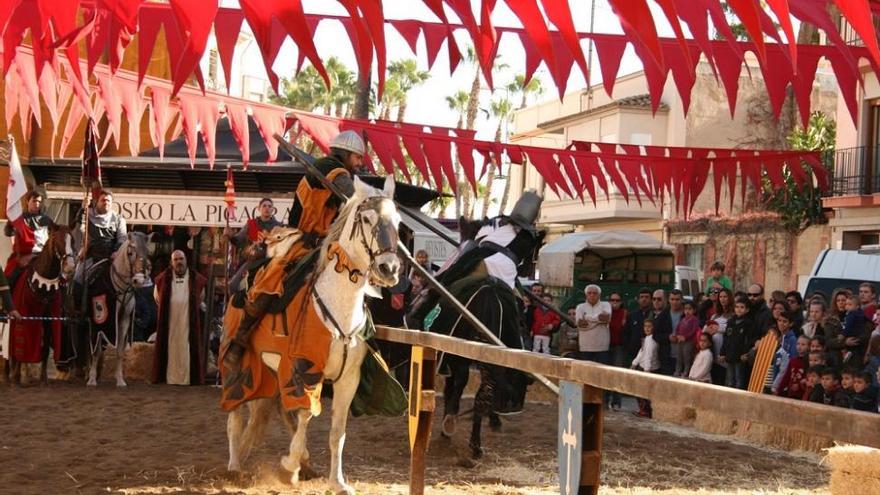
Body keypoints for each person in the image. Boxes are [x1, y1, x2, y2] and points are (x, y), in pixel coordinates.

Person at [224, 131, 366, 368]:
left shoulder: (337, 171)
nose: (360, 163)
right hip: (303, 238)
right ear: (346, 154)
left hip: (325, 242)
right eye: (357, 158)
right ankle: (241, 337)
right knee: (273, 277)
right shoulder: (331, 168)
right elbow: (353, 196)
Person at [151, 250, 207, 385]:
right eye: (176, 260)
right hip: (170, 323)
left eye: (181, 259)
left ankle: (187, 379)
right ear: (171, 262)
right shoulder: (162, 280)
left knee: (187, 347)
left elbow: (200, 298)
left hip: (188, 322)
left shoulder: (196, 279)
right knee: (170, 348)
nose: (179, 262)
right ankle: (169, 378)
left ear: (186, 260)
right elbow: (157, 299)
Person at [224, 198, 282, 292]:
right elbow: (238, 240)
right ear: (259, 208)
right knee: (233, 285)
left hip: (271, 262)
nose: (267, 208)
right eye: (264, 206)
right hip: (253, 261)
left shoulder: (279, 226)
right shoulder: (251, 224)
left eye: (269, 206)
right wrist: (230, 236)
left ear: (273, 209)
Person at [4, 190, 56, 289]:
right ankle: (7, 300)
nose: (37, 204)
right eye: (34, 201)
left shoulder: (46, 220)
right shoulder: (19, 219)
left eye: (39, 202)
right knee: (9, 278)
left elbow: (54, 237)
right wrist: (10, 223)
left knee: (59, 276)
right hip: (23, 256)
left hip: (41, 255)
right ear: (27, 201)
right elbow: (8, 233)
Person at [74, 189, 127, 280]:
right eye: (103, 200)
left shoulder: (119, 219)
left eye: (108, 200)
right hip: (92, 256)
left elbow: (122, 239)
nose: (106, 203)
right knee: (78, 277)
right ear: (97, 202)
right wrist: (83, 208)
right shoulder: (88, 214)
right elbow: (79, 221)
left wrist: (116, 251)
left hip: (112, 257)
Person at [721, 296, 756, 390]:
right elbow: (726, 338)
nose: (739, 309)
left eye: (742, 307)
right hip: (729, 355)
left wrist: (745, 353)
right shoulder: (731, 321)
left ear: (747, 309)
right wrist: (722, 353)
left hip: (740, 357)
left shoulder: (749, 323)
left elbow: (749, 341)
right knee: (729, 380)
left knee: (739, 381)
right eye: (737, 307)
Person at [575, 285, 611, 364]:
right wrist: (598, 319)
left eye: (595, 293)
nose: (592, 295)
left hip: (602, 347)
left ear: (599, 295)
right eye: (589, 293)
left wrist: (587, 317)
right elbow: (580, 324)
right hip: (585, 347)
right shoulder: (580, 307)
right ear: (586, 295)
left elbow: (605, 318)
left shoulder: (606, 305)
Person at [631, 318, 659, 418]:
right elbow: (641, 352)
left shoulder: (652, 341)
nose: (647, 328)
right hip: (642, 367)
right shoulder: (646, 338)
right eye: (645, 326)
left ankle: (645, 411)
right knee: (638, 390)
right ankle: (642, 409)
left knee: (643, 391)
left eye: (649, 326)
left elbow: (649, 356)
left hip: (648, 369)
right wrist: (634, 363)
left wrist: (647, 371)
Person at [623, 288, 652, 365]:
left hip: (650, 353)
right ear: (638, 300)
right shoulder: (632, 315)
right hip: (633, 352)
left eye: (646, 297)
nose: (644, 299)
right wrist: (628, 347)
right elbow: (626, 332)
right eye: (641, 297)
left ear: (651, 299)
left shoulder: (654, 315)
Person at [672, 300, 700, 377]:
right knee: (679, 357)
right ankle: (678, 370)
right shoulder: (682, 319)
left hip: (689, 342)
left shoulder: (694, 319)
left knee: (687, 357)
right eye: (685, 309)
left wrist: (685, 337)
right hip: (680, 341)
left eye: (689, 309)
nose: (687, 311)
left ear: (694, 310)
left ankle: (686, 371)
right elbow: (677, 328)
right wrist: (676, 335)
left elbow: (694, 331)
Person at [649, 289, 674, 375]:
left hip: (666, 356)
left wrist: (668, 337)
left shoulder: (669, 314)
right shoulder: (650, 314)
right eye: (654, 299)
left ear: (666, 300)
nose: (656, 301)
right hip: (652, 359)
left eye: (659, 299)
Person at [841, 295, 868, 365]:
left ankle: (847, 352)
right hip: (860, 334)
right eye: (846, 304)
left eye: (850, 304)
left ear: (857, 306)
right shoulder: (861, 313)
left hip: (852, 333)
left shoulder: (851, 314)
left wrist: (843, 334)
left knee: (848, 344)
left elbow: (848, 326)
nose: (847, 306)